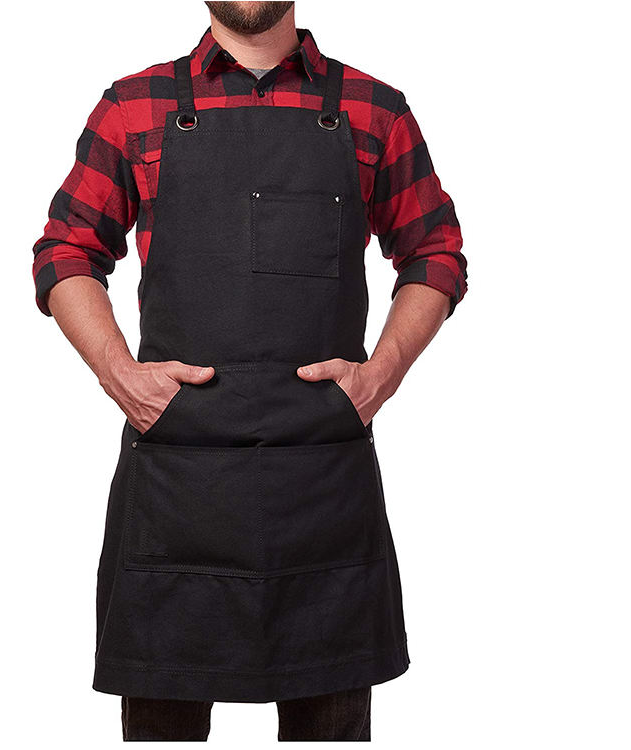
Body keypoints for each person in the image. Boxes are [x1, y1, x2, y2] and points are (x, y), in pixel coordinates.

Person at [31, 1, 467, 741]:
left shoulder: (375, 109)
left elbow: (435, 251)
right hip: (178, 479)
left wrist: (381, 375)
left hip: (320, 480)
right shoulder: (133, 106)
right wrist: (119, 373)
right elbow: (66, 249)